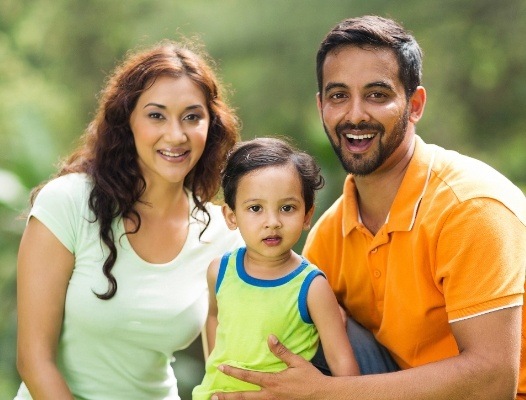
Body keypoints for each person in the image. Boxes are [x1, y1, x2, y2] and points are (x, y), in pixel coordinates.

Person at [209, 15, 526, 400]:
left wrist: (324, 393)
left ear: (415, 104)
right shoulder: (327, 235)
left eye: (377, 95)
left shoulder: (471, 209)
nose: (355, 115)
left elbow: (494, 383)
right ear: (321, 105)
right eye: (338, 95)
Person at [15, 39, 245, 400]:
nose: (176, 135)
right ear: (128, 122)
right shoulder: (68, 203)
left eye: (192, 116)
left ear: (210, 126)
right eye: (156, 115)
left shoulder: (224, 233)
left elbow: (227, 367)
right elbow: (33, 360)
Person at [192, 137, 360, 399]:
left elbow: (345, 370)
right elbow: (213, 316)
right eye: (255, 208)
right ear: (231, 216)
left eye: (287, 208)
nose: (272, 222)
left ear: (307, 215)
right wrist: (215, 371)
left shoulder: (312, 287)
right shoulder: (220, 271)